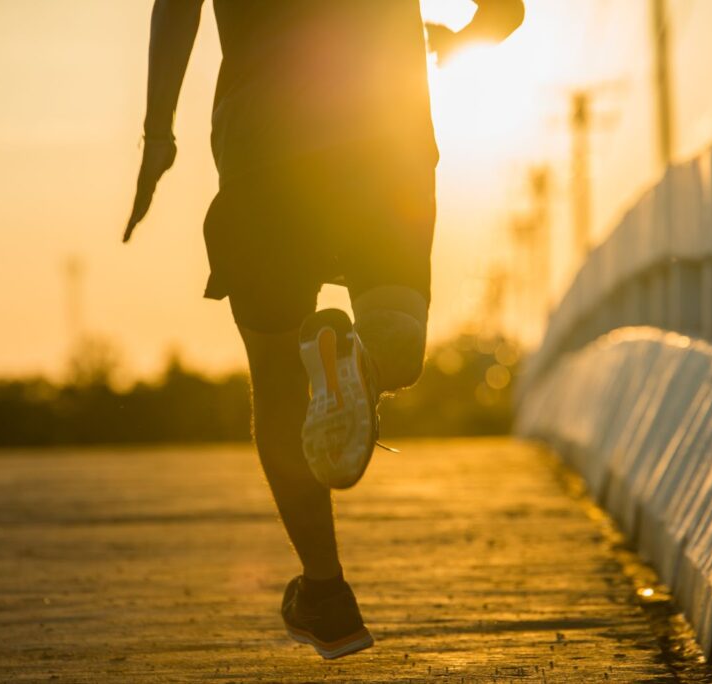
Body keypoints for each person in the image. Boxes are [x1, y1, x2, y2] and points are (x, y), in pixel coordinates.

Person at [124, 0, 523, 660]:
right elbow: (506, 10)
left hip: (264, 149)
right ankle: (360, 361)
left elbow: (176, 8)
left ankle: (327, 596)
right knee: (397, 338)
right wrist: (460, 40)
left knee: (279, 378)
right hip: (384, 142)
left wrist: (158, 134)